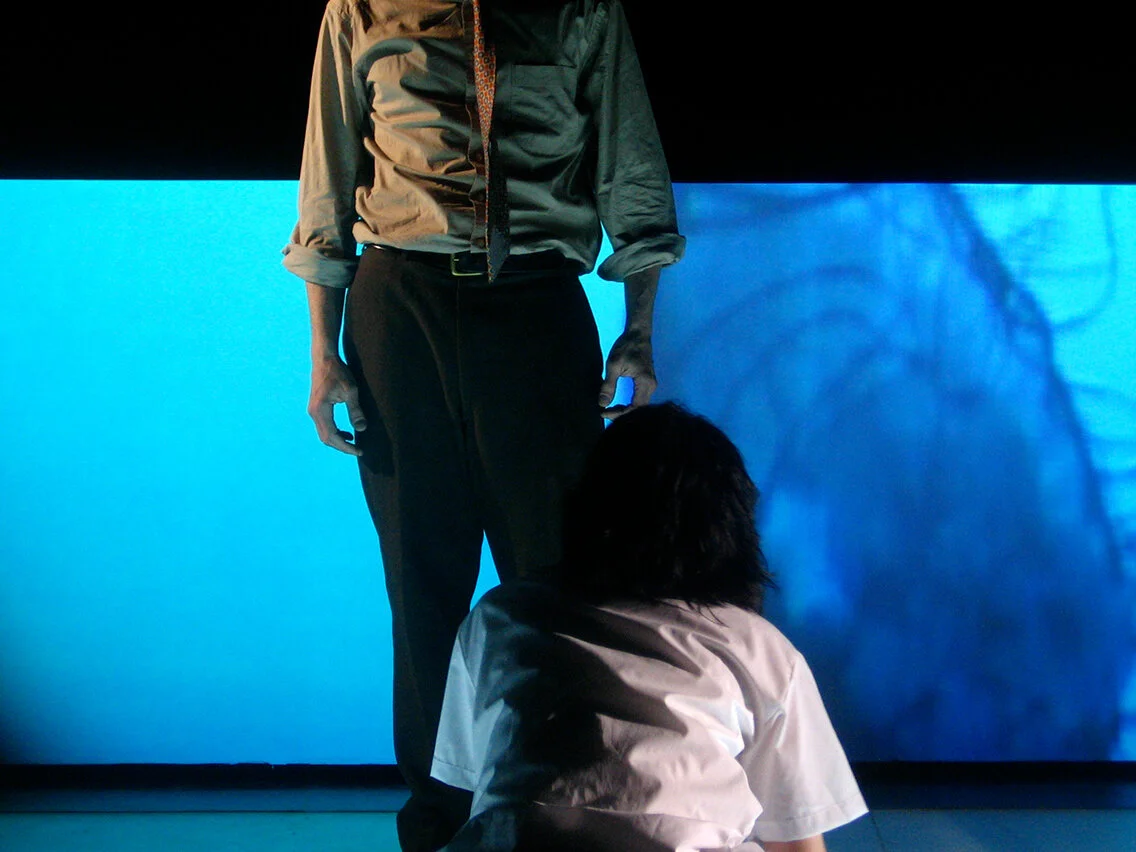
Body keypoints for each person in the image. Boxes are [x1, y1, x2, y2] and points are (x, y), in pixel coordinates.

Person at [282, 1, 685, 849]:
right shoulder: (360, 8)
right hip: (402, 306)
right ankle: (436, 821)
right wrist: (323, 353)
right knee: (419, 580)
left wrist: (640, 329)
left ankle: (563, 808)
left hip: (536, 305)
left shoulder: (582, 8)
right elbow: (328, 181)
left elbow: (632, 171)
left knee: (559, 582)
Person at [430, 403, 869, 851]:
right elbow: (796, 842)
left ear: (589, 506)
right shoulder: (760, 649)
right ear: (729, 525)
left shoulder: (501, 614)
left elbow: (476, 783)